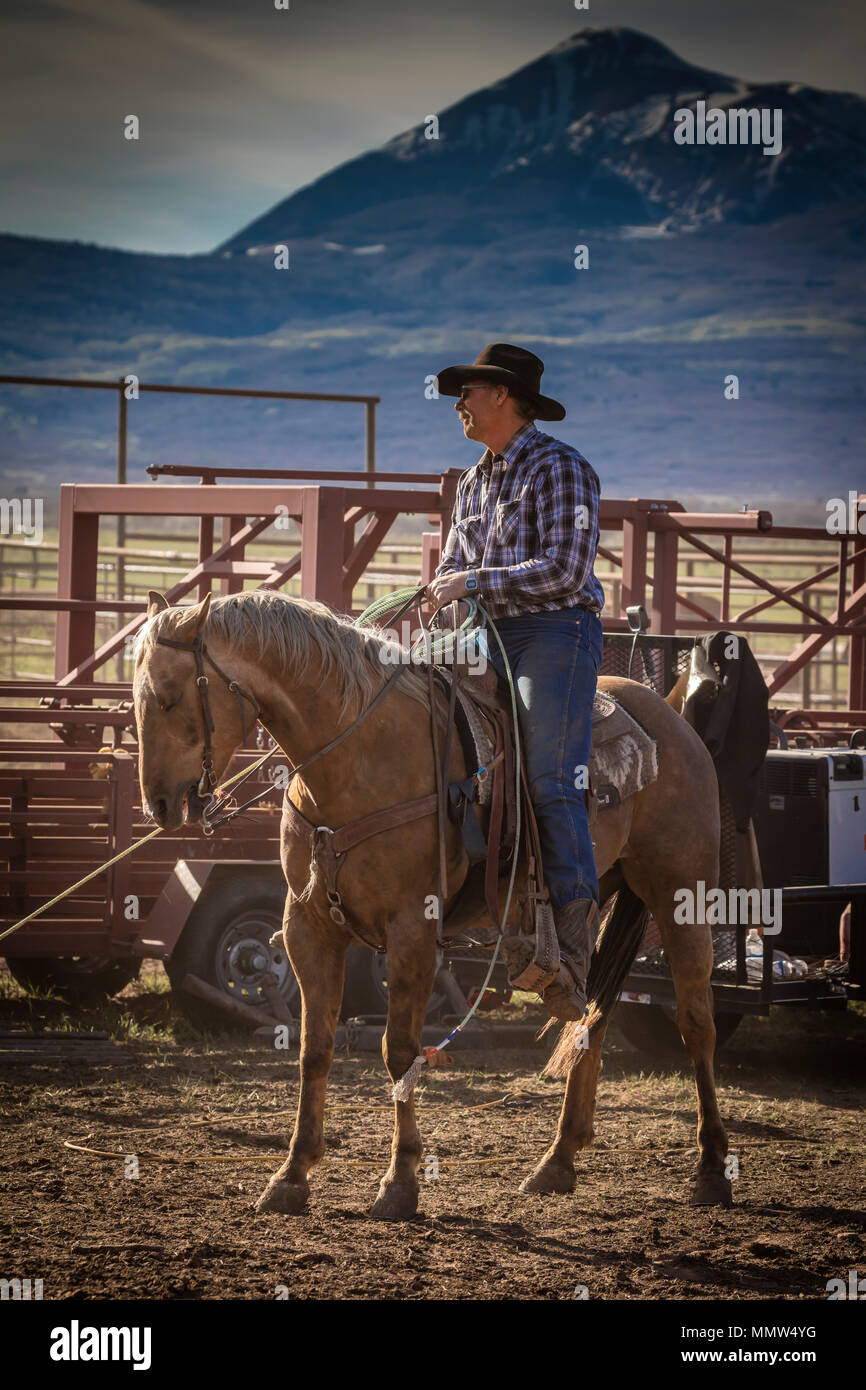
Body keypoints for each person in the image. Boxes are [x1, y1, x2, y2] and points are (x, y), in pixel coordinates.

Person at [427, 343, 604, 1020]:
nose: (459, 404)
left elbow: (562, 570)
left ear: (503, 396)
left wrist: (471, 582)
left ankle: (575, 946)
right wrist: (444, 594)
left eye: (467, 392)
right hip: (484, 633)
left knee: (551, 778)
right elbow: (452, 565)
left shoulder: (562, 469)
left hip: (553, 631)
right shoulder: (474, 482)